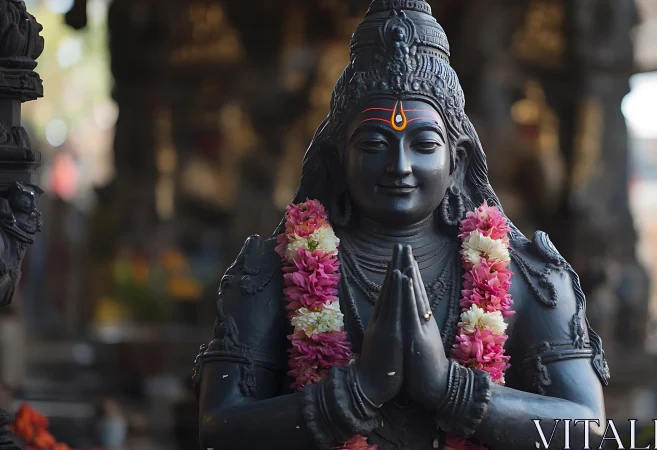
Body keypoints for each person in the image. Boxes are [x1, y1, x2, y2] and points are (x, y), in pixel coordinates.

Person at [194, 1, 607, 449]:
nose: (400, 166)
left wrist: (449, 387)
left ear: (457, 158)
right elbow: (218, 430)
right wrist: (359, 388)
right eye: (373, 143)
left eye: (424, 144)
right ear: (338, 156)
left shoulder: (532, 275)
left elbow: (587, 427)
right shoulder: (271, 273)